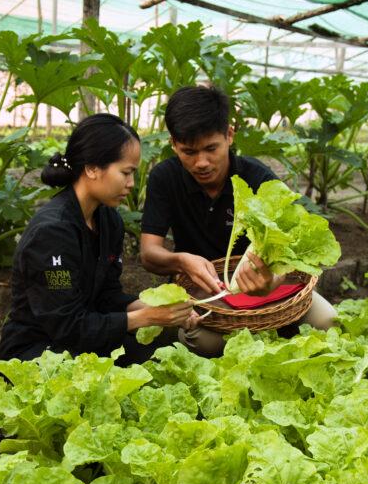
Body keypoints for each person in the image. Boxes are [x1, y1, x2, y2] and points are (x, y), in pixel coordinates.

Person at [139, 85, 336, 356]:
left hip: (266, 289)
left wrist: (273, 279)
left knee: (327, 321)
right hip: (206, 295)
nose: (201, 163)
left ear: (229, 135)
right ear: (173, 144)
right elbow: (149, 253)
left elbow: (295, 245)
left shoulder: (257, 177)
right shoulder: (164, 178)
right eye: (188, 152)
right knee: (205, 343)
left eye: (211, 148)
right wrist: (182, 261)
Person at [0, 113, 196, 366]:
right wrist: (146, 317)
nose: (132, 183)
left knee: (160, 362)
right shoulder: (52, 234)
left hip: (85, 341)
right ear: (91, 168)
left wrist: (161, 307)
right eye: (126, 172)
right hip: (41, 351)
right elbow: (65, 324)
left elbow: (107, 296)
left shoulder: (109, 220)